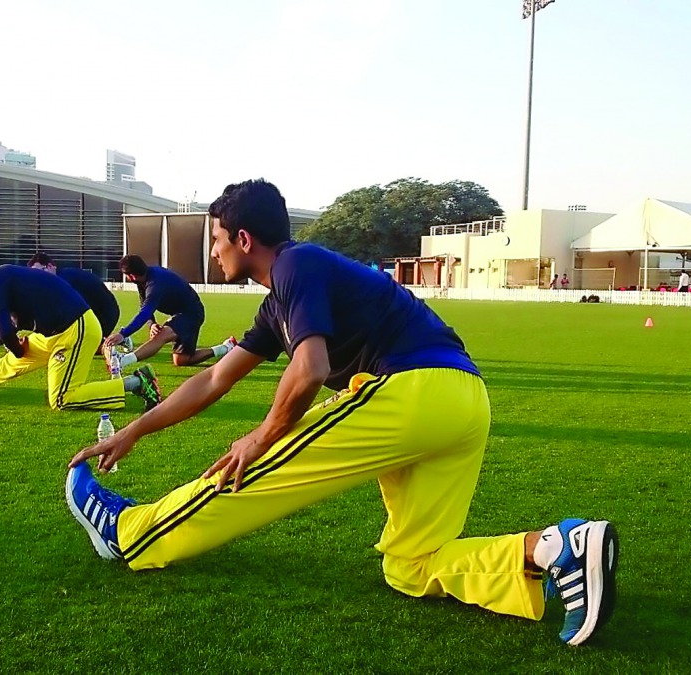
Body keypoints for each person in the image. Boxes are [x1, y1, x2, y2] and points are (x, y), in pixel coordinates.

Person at [65, 179, 618, 647]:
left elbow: (308, 369)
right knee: (411, 565)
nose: (213, 253)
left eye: (214, 240)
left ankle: (129, 532)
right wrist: (135, 430)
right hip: (463, 401)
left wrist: (261, 436)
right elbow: (213, 377)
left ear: (242, 238)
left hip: (413, 390)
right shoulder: (277, 302)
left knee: (251, 472)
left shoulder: (296, 264)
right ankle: (557, 549)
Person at [0, 265, 162, 411]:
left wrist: (17, 347)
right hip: (56, 331)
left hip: (76, 329)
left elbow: (5, 332)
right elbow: (1, 334)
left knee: (62, 398)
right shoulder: (8, 283)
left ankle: (138, 382)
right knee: (15, 359)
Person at [103, 254, 236, 371]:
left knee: (160, 336)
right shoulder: (143, 279)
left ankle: (123, 361)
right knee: (182, 360)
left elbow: (144, 313)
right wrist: (152, 324)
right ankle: (226, 347)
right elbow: (144, 305)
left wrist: (123, 334)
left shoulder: (155, 283)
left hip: (191, 314)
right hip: (183, 313)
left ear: (131, 276)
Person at [28, 253, 121, 353]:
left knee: (73, 347)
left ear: (50, 266)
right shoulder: (62, 276)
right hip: (102, 311)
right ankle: (115, 341)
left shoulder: (63, 280)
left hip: (105, 314)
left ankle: (110, 343)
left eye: (40, 272)